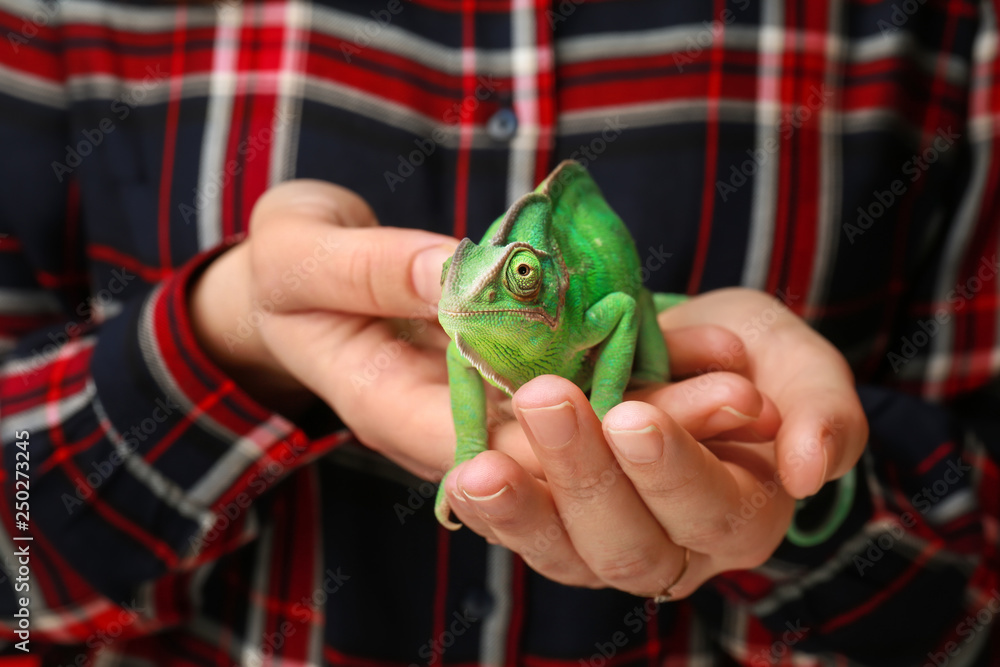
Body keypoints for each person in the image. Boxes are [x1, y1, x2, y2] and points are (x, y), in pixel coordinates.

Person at [0, 0, 997, 664]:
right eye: (469, 268)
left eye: (512, 272)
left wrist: (810, 487)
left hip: (629, 342)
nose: (469, 297)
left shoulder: (941, 25)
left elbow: (975, 615)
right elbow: (13, 589)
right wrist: (222, 341)